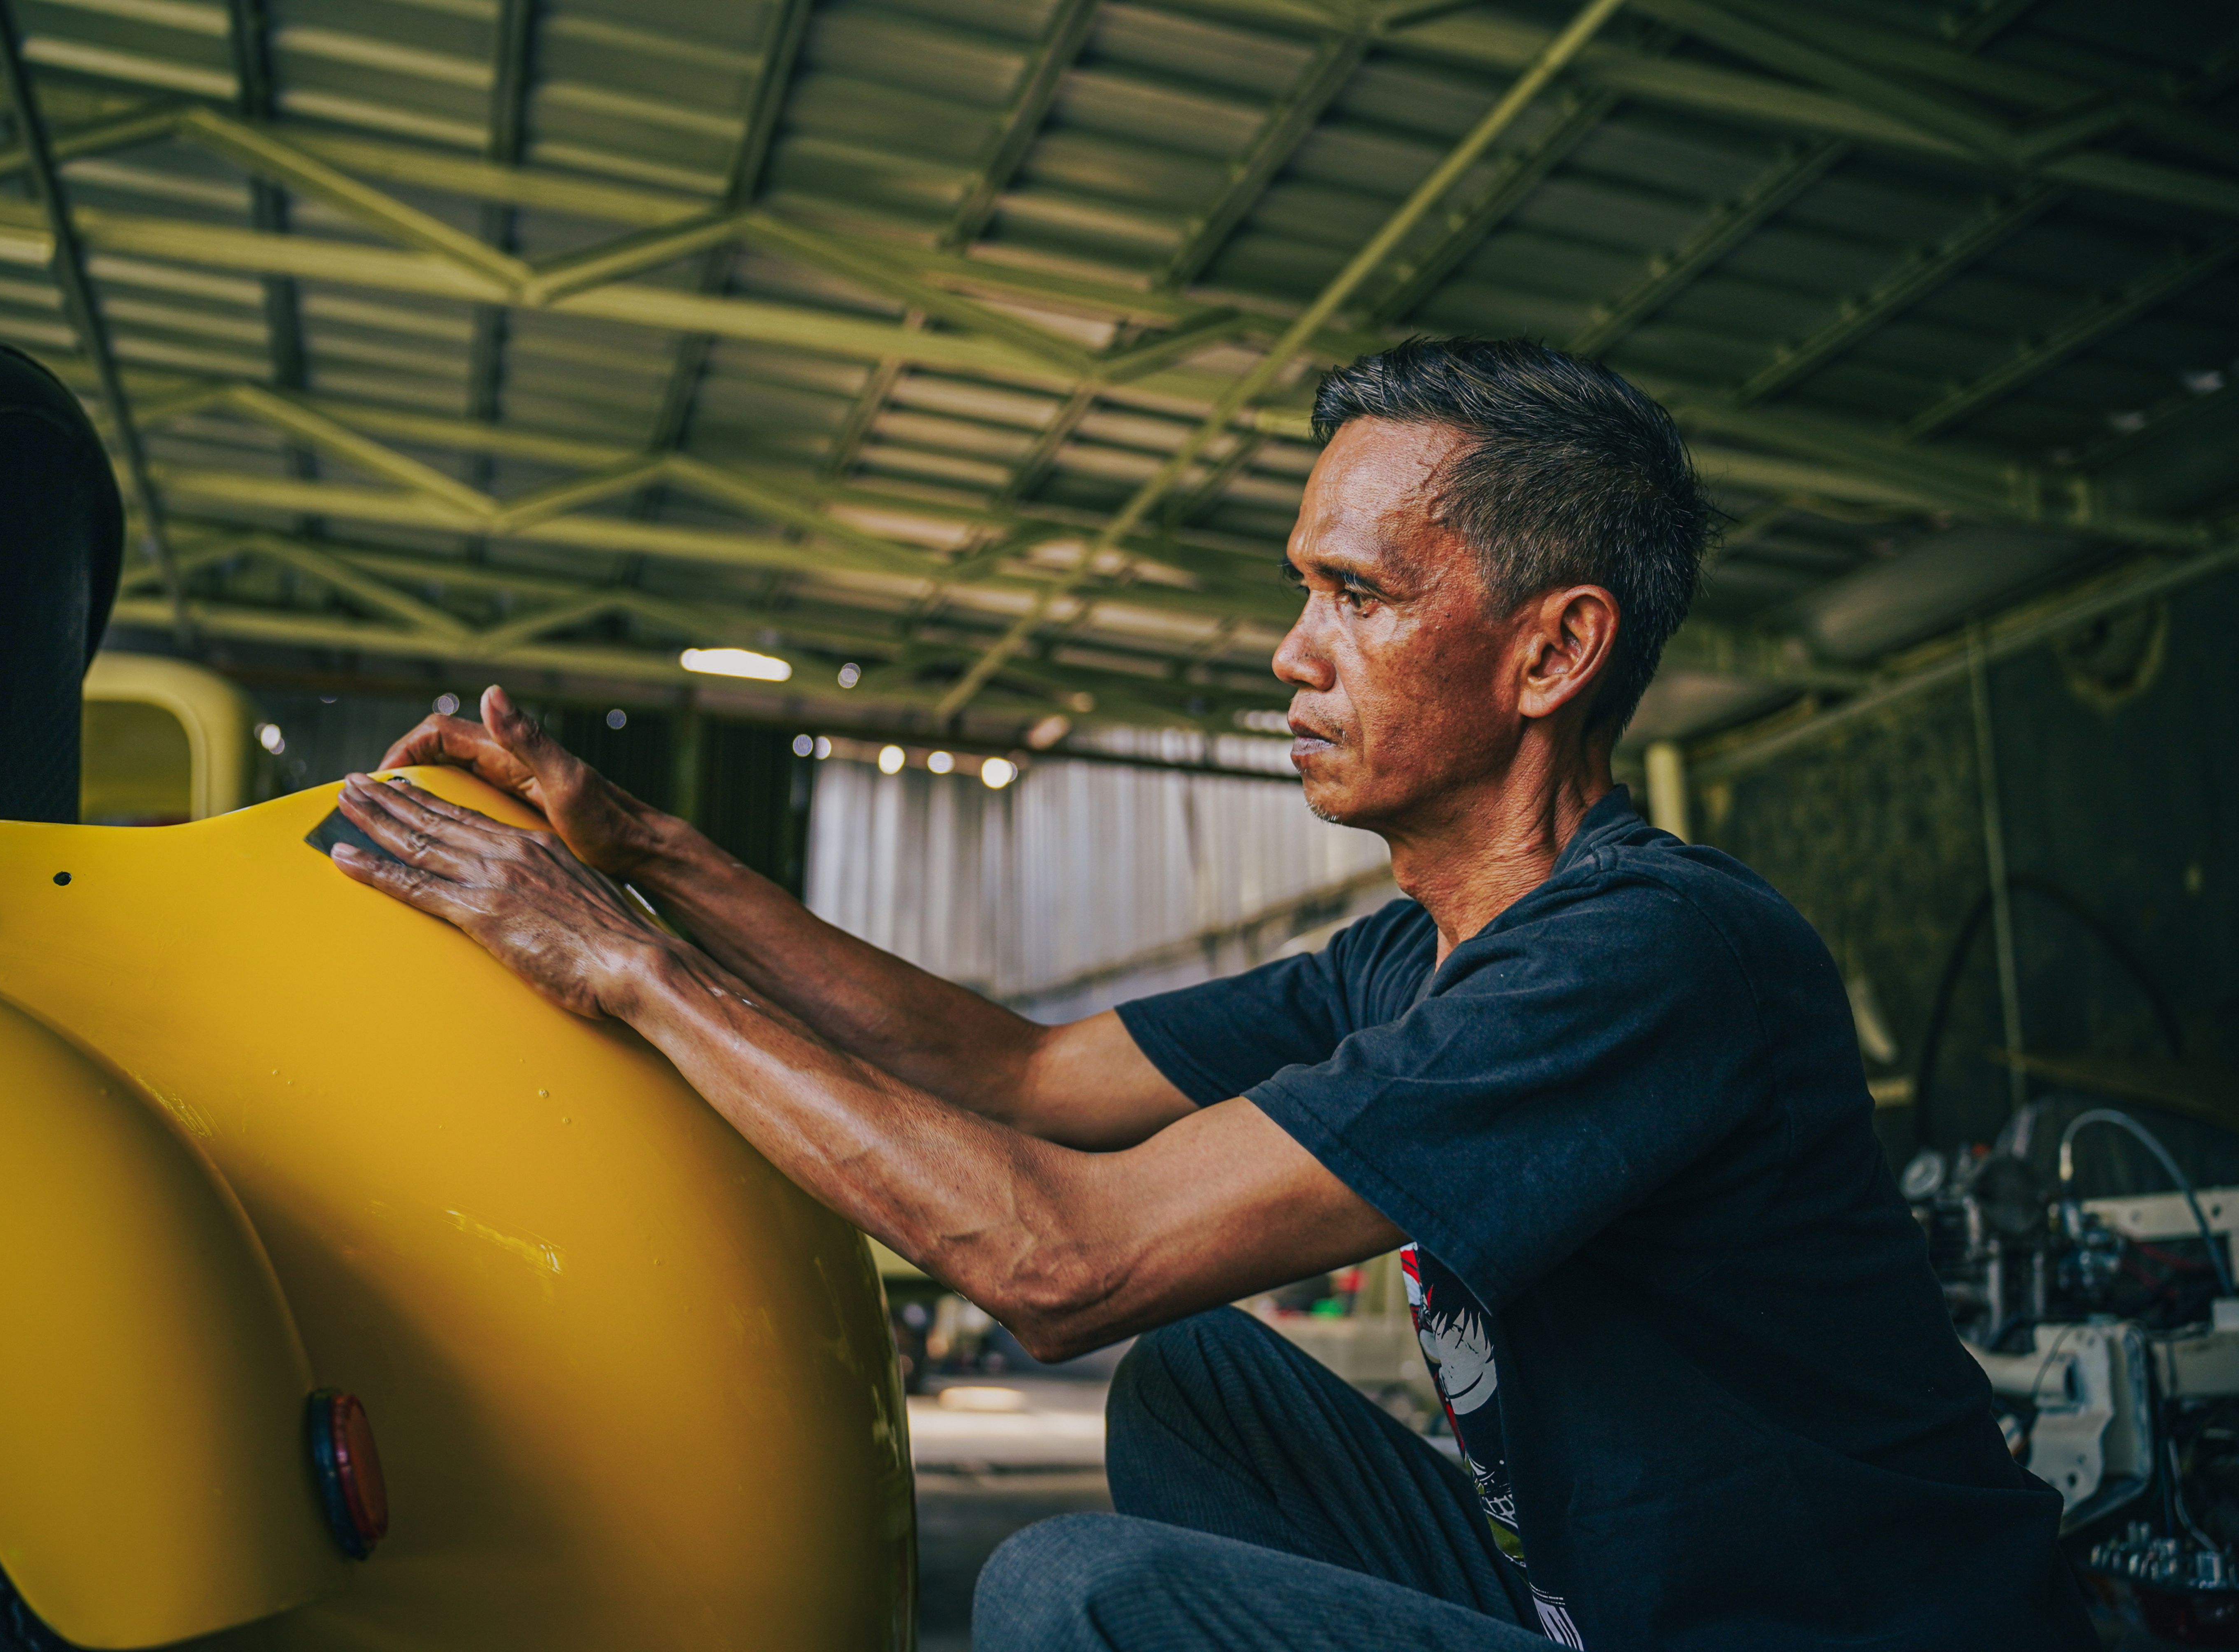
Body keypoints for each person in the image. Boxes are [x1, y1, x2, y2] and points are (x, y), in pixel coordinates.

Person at [328, 338, 2091, 1651]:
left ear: (1555, 650)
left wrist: (621, 965)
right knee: (1199, 1386)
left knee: (1073, 1592)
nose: (1289, 651)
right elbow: (1022, 1078)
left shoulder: (1648, 953)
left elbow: (1061, 1257)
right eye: (1297, 589)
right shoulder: (1413, 949)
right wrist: (647, 852)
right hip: (1603, 1602)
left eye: (1357, 596)